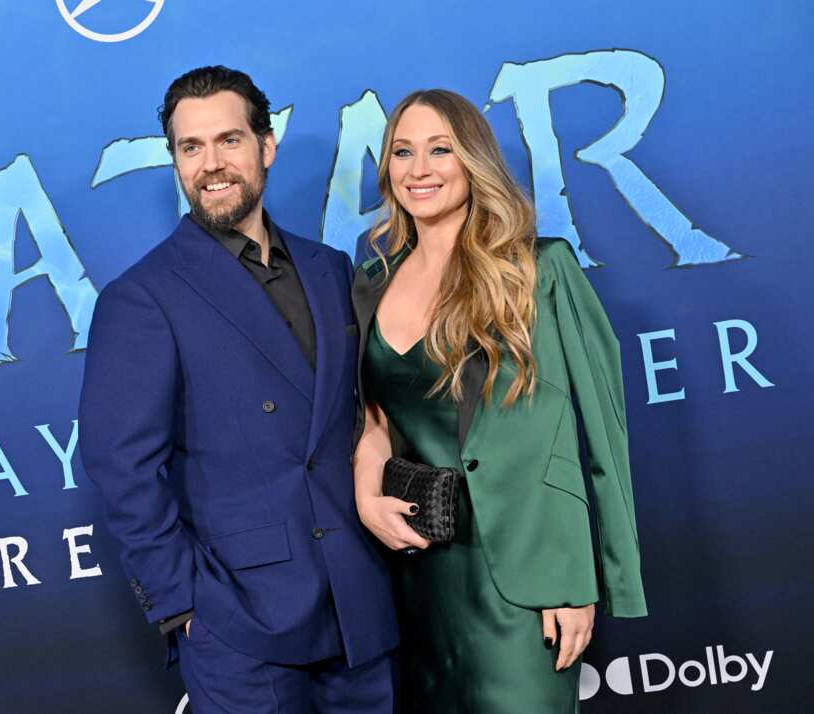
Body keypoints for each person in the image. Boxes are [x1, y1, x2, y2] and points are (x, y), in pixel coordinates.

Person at [78, 66, 398, 713]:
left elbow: (356, 412)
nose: (210, 165)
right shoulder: (141, 299)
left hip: (360, 609)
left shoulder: (329, 269)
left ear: (266, 147)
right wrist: (182, 606)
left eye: (228, 140)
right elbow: (120, 467)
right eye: (190, 148)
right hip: (242, 631)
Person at [351, 89, 648, 713]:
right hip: (423, 576)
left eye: (440, 149)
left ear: (473, 161)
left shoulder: (542, 270)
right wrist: (363, 481)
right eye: (402, 152)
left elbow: (604, 435)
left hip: (527, 580)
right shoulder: (372, 281)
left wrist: (585, 581)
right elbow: (379, 414)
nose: (419, 169)